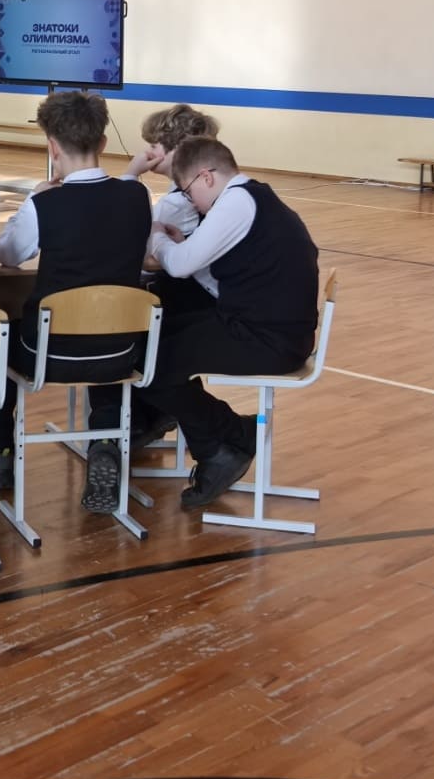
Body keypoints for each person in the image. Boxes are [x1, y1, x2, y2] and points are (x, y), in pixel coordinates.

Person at [136, 137, 319, 508]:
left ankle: (226, 442)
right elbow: (214, 273)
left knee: (148, 362)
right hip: (270, 327)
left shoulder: (235, 203)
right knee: (158, 339)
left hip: (267, 339)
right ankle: (224, 438)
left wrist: (157, 238)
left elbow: (179, 265)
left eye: (189, 192)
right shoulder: (252, 196)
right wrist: (183, 243)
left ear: (206, 177)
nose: (191, 202)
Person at [0, 90, 152, 505]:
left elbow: (8, 254)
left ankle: (2, 449)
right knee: (104, 328)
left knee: (1, 337)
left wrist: (34, 198)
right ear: (103, 142)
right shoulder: (137, 197)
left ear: (52, 145)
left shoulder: (45, 204)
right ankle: (104, 442)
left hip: (48, 354)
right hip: (122, 351)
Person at [124, 103, 220, 317]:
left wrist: (130, 174)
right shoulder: (195, 189)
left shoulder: (176, 204)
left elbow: (146, 260)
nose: (147, 152)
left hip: (190, 303)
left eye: (153, 145)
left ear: (178, 150)